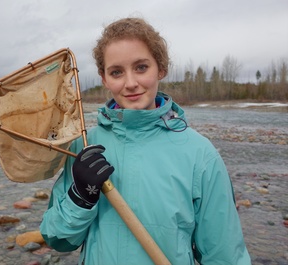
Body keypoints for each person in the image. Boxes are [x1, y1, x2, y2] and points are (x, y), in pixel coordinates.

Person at [40, 17, 251, 265]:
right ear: (104, 78)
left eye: (141, 67)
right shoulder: (86, 147)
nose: (130, 83)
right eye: (116, 72)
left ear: (160, 68)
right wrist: (80, 198)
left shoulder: (200, 154)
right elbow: (59, 239)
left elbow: (224, 255)